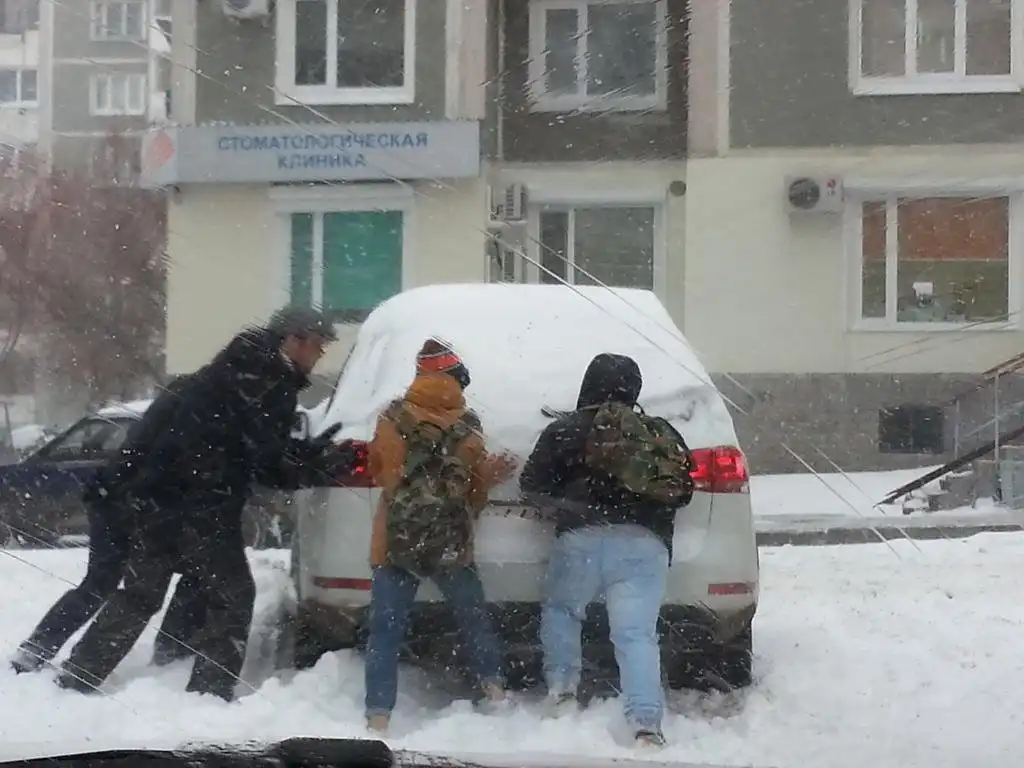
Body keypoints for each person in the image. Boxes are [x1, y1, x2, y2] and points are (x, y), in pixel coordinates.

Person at [54, 308, 357, 701]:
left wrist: (308, 453)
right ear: (293, 339)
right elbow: (266, 461)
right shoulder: (268, 382)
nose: (319, 355)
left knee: (142, 593)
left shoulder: (233, 369)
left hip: (156, 497)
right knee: (232, 596)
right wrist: (320, 467)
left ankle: (79, 676)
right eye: (318, 345)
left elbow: (248, 442)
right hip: (202, 504)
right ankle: (208, 694)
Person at [519, 353, 695, 748]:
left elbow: (531, 485)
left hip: (580, 539)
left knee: (563, 612)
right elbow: (683, 491)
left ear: (588, 384)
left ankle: (562, 691)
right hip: (644, 544)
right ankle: (646, 724)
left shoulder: (565, 430)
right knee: (636, 635)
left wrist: (566, 505)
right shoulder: (659, 432)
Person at [363, 338, 517, 734]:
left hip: (395, 541)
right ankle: (496, 693)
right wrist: (483, 480)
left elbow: (382, 476)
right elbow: (473, 496)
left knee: (385, 633)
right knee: (474, 621)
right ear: (457, 379)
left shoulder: (391, 418)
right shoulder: (470, 425)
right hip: (451, 543)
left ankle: (378, 716)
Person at [9, 375, 206, 674]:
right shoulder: (177, 430)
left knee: (106, 582)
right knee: (106, 582)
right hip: (121, 507)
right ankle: (39, 648)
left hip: (116, 502)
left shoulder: (164, 421)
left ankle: (38, 647)